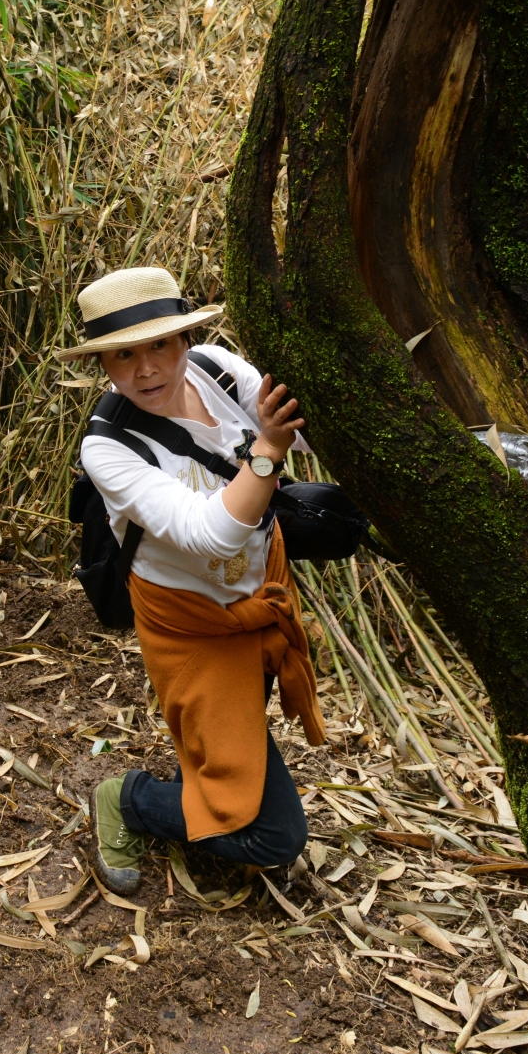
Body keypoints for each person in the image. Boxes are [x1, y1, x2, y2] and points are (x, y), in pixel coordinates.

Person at [58, 266, 321, 894]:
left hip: (260, 593)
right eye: (123, 355)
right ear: (103, 364)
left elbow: (306, 440)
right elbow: (209, 532)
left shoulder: (219, 370)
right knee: (272, 839)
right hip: (194, 628)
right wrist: (266, 451)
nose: (146, 368)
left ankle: (218, 764)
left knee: (232, 745)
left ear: (184, 339)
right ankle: (127, 798)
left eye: (160, 345)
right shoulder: (109, 448)